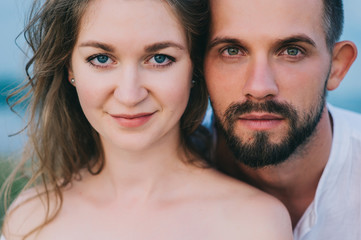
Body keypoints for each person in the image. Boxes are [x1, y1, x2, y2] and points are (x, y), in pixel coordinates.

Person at [1, 0, 293, 239]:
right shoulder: (30, 220)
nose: (130, 95)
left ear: (194, 67)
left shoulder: (254, 224)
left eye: (160, 58)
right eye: (101, 59)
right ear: (70, 69)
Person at [204, 0, 360, 239]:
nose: (259, 87)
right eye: (232, 51)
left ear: (337, 67)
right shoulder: (158, 181)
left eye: (292, 51)